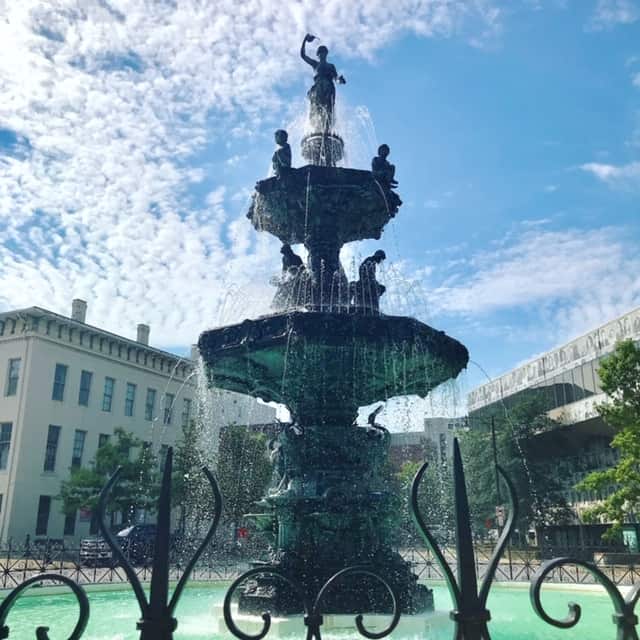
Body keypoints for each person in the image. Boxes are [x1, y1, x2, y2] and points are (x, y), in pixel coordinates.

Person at [300, 34, 345, 132]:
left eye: (324, 53)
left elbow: (335, 78)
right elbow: (303, 55)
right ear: (317, 54)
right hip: (318, 87)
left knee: (328, 109)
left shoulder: (331, 66)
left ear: (326, 54)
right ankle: (317, 126)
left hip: (328, 88)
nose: (322, 54)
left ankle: (326, 128)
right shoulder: (315, 64)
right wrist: (304, 40)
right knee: (316, 108)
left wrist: (340, 80)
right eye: (320, 53)